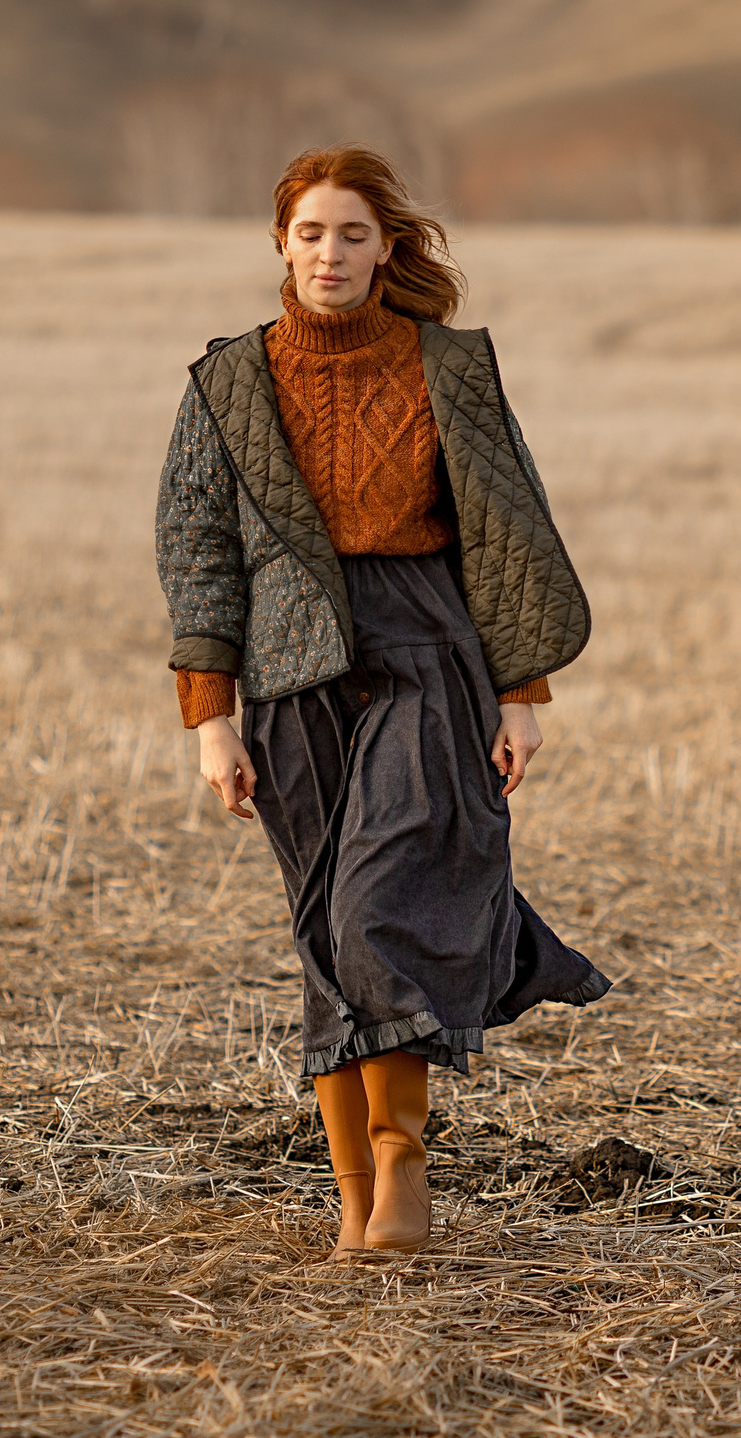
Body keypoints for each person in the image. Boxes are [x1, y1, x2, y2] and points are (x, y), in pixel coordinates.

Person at [155, 146, 608, 1258]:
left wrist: (522, 690)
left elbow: (506, 530)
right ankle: (351, 1192)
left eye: (353, 233)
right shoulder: (228, 382)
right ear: (282, 246)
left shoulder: (447, 368)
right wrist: (210, 717)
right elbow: (198, 550)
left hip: (426, 647)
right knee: (322, 926)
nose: (331, 253)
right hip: (286, 665)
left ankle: (402, 1159)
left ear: (388, 248)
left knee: (372, 909)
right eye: (311, 233)